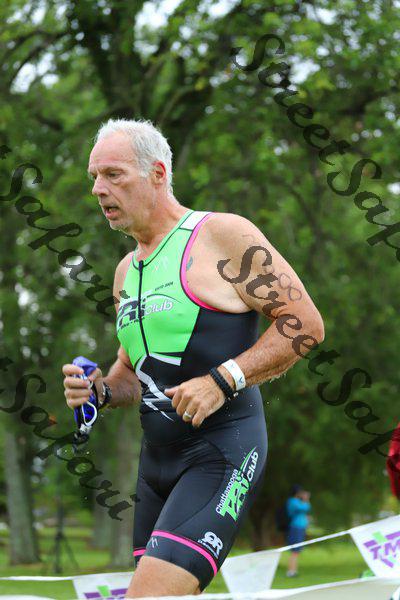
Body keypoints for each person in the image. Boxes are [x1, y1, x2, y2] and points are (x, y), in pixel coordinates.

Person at [62, 118, 324, 598]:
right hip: (155, 466)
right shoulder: (125, 271)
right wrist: (99, 390)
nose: (98, 189)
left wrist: (222, 380)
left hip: (222, 453)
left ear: (157, 174)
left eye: (113, 174)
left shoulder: (220, 235)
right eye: (94, 177)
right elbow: (133, 373)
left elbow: (304, 324)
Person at [286, 485, 311, 577]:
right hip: (296, 528)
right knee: (295, 550)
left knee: (297, 551)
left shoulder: (297, 501)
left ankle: (294, 570)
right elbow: (304, 508)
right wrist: (306, 499)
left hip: (300, 528)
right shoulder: (293, 501)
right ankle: (291, 571)